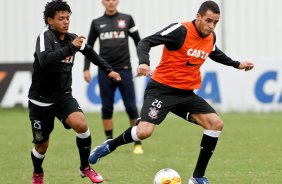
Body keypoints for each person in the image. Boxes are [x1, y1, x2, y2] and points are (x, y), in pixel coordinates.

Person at [88, 1, 254, 184]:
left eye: (215, 22)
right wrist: (144, 62)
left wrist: (237, 64)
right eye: (208, 21)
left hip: (185, 94)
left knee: (215, 124)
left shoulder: (210, 37)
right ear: (198, 16)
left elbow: (214, 52)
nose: (211, 26)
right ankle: (110, 145)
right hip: (161, 90)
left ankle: (197, 177)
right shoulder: (180, 30)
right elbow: (146, 42)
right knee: (144, 132)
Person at [28, 0, 121, 183]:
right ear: (50, 20)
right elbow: (45, 60)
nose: (66, 22)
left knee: (81, 124)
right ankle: (38, 172)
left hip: (63, 97)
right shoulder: (45, 36)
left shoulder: (72, 38)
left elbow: (91, 53)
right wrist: (71, 47)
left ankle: (85, 166)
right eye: (61, 18)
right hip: (40, 102)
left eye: (68, 18)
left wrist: (108, 70)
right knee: (41, 146)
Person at [83, 0, 144, 154]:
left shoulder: (127, 19)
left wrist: (142, 62)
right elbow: (88, 47)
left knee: (131, 107)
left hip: (124, 70)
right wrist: (86, 68)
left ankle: (137, 142)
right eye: (107, 0)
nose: (110, 2)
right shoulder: (96, 23)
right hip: (105, 71)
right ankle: (108, 140)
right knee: (107, 108)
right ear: (103, 2)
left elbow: (139, 42)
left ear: (117, 1)